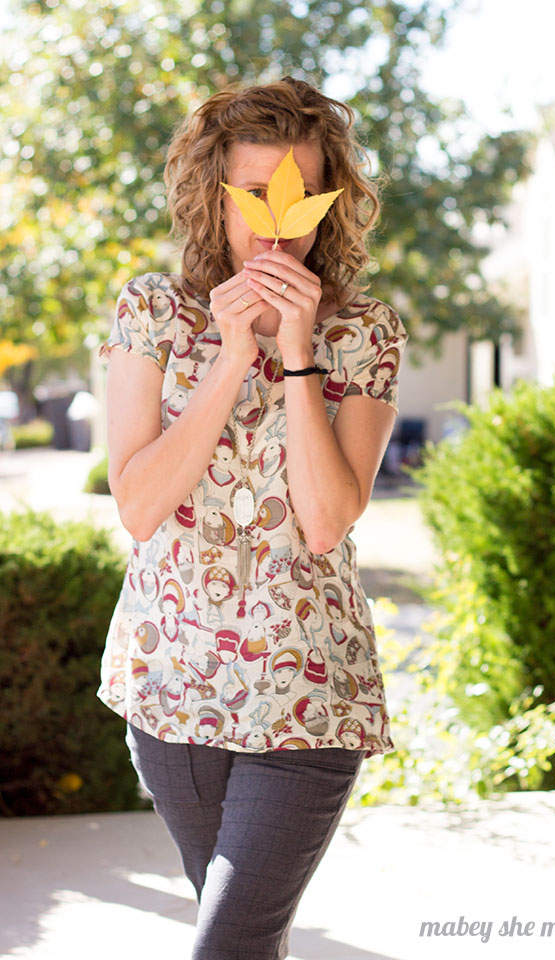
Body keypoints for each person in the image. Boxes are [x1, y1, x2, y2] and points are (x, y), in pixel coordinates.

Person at [97, 76, 408, 960]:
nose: (278, 229)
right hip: (170, 693)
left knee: (226, 944)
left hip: (308, 698)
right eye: (255, 197)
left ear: (331, 201)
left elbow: (325, 522)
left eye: (300, 198)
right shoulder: (153, 313)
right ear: (212, 195)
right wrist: (233, 359)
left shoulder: (365, 332)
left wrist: (298, 351)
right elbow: (140, 505)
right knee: (242, 941)